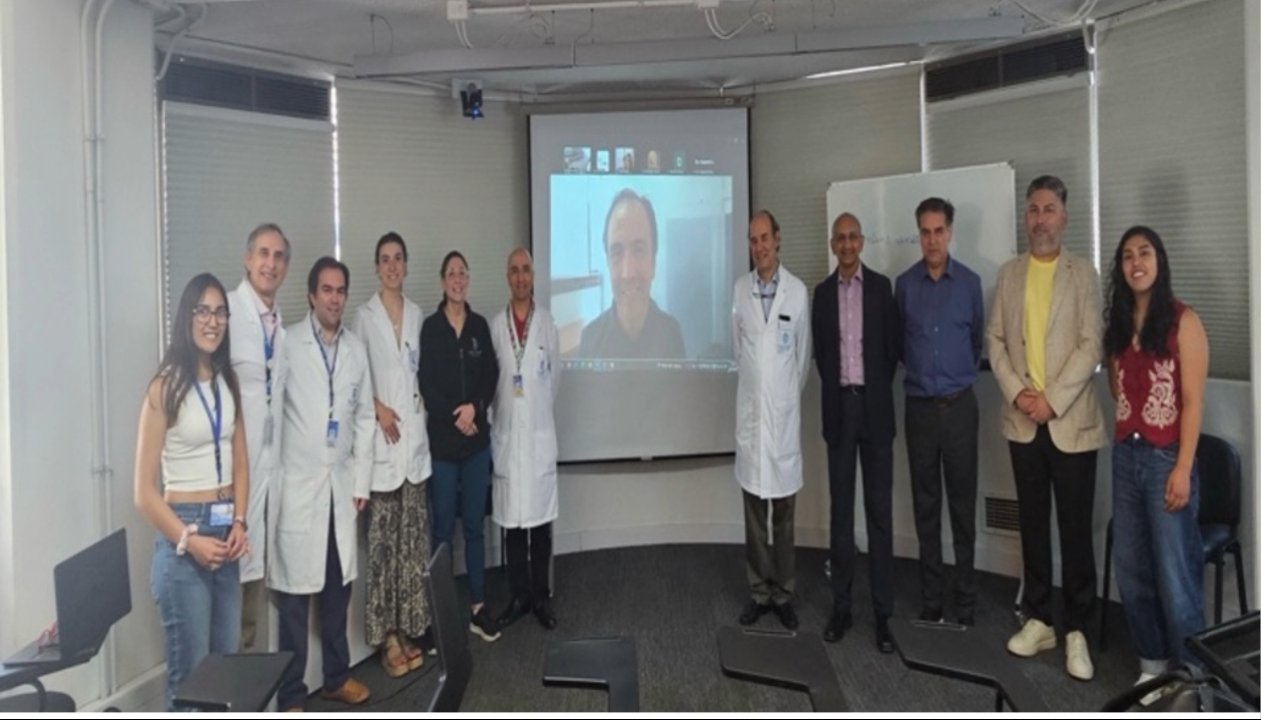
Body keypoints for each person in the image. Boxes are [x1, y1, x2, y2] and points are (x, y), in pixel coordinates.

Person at [987, 176, 1106, 681]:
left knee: (1075, 530)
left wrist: (1051, 401)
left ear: (1064, 217)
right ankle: (1039, 619)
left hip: (1070, 422)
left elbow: (1091, 344)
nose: (1040, 219)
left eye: (1049, 209)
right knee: (1033, 526)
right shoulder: (1009, 274)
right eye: (1033, 210)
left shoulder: (1084, 274)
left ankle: (1078, 630)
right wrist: (1020, 394)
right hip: (1023, 423)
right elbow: (995, 341)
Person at [133, 272, 249, 709]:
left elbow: (241, 462)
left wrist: (240, 521)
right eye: (203, 310)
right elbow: (143, 492)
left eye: (220, 312)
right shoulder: (165, 387)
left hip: (226, 533)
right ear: (187, 317)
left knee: (224, 671)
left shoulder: (227, 380)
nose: (212, 321)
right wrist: (188, 539)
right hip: (184, 538)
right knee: (191, 683)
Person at [1105, 226, 1208, 693]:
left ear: (1159, 261)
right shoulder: (1119, 324)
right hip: (1126, 456)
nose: (1136, 263)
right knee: (1131, 566)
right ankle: (1152, 663)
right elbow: (1117, 388)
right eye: (1127, 256)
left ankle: (1190, 678)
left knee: (1175, 573)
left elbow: (1193, 401)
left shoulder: (1184, 320)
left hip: (1167, 458)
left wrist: (1183, 467)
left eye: (1144, 253)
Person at [270, 257, 375, 710]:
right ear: (311, 295)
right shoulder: (288, 343)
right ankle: (291, 694)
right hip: (299, 488)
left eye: (340, 290)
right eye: (326, 290)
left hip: (341, 487)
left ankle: (336, 676)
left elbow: (366, 417)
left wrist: (362, 482)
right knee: (294, 601)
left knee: (337, 593)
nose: (334, 298)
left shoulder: (355, 349)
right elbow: (272, 415)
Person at [811, 212, 898, 652]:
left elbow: (892, 351)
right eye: (839, 238)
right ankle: (841, 608)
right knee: (841, 515)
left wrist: (870, 390)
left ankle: (884, 615)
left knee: (880, 515)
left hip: (875, 409)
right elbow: (822, 356)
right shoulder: (822, 295)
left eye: (852, 237)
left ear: (862, 242)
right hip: (840, 410)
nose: (846, 245)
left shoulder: (882, 288)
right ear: (833, 245)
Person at [895, 197, 984, 626]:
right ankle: (932, 599)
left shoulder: (969, 283)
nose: (932, 240)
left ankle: (965, 601)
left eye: (939, 231)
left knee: (962, 509)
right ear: (919, 235)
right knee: (926, 508)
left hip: (960, 408)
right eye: (925, 232)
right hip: (920, 411)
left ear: (950, 233)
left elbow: (976, 342)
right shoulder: (904, 286)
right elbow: (899, 345)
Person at [351, 232, 432, 677]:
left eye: (398, 258)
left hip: (413, 447)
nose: (392, 266)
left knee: (411, 549)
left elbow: (424, 377)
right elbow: (354, 378)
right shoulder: (364, 318)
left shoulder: (418, 315)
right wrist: (377, 408)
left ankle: (408, 628)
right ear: (376, 267)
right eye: (385, 259)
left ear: (406, 264)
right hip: (381, 446)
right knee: (382, 550)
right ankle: (387, 640)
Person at [732, 210, 811, 630]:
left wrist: (780, 400)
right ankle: (759, 592)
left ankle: (783, 594)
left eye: (764, 238)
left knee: (783, 517)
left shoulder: (797, 293)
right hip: (752, 424)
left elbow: (802, 361)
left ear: (778, 239)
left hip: (781, 424)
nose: (759, 246)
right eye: (753, 240)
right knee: (753, 517)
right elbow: (739, 353)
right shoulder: (740, 291)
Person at [419, 251, 502, 642]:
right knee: (441, 532)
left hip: (476, 447)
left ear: (468, 280)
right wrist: (457, 416)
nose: (457, 279)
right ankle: (441, 616)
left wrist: (475, 409)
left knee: (473, 528)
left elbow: (491, 376)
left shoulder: (479, 326)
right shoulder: (430, 328)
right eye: (451, 273)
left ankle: (478, 608)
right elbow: (426, 383)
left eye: (462, 273)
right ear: (442, 281)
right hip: (443, 446)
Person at [490, 248, 562, 631]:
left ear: (533, 276)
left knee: (540, 527)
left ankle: (541, 597)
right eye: (514, 270)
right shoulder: (494, 326)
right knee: (513, 528)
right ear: (507, 276)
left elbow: (554, 380)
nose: (520, 277)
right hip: (507, 438)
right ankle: (519, 596)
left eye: (526, 270)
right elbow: (492, 384)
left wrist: (533, 414)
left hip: (537, 437)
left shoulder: (547, 324)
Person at [226, 222, 289, 651]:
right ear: (248, 260)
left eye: (278, 256)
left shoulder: (279, 327)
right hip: (231, 482)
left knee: (252, 603)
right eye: (263, 253)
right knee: (228, 607)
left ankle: (247, 682)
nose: (270, 263)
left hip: (265, 478)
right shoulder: (227, 315)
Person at [577, 189, 686, 359]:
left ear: (653, 263)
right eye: (617, 252)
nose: (627, 273)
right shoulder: (590, 341)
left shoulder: (672, 334)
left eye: (639, 250)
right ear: (608, 262)